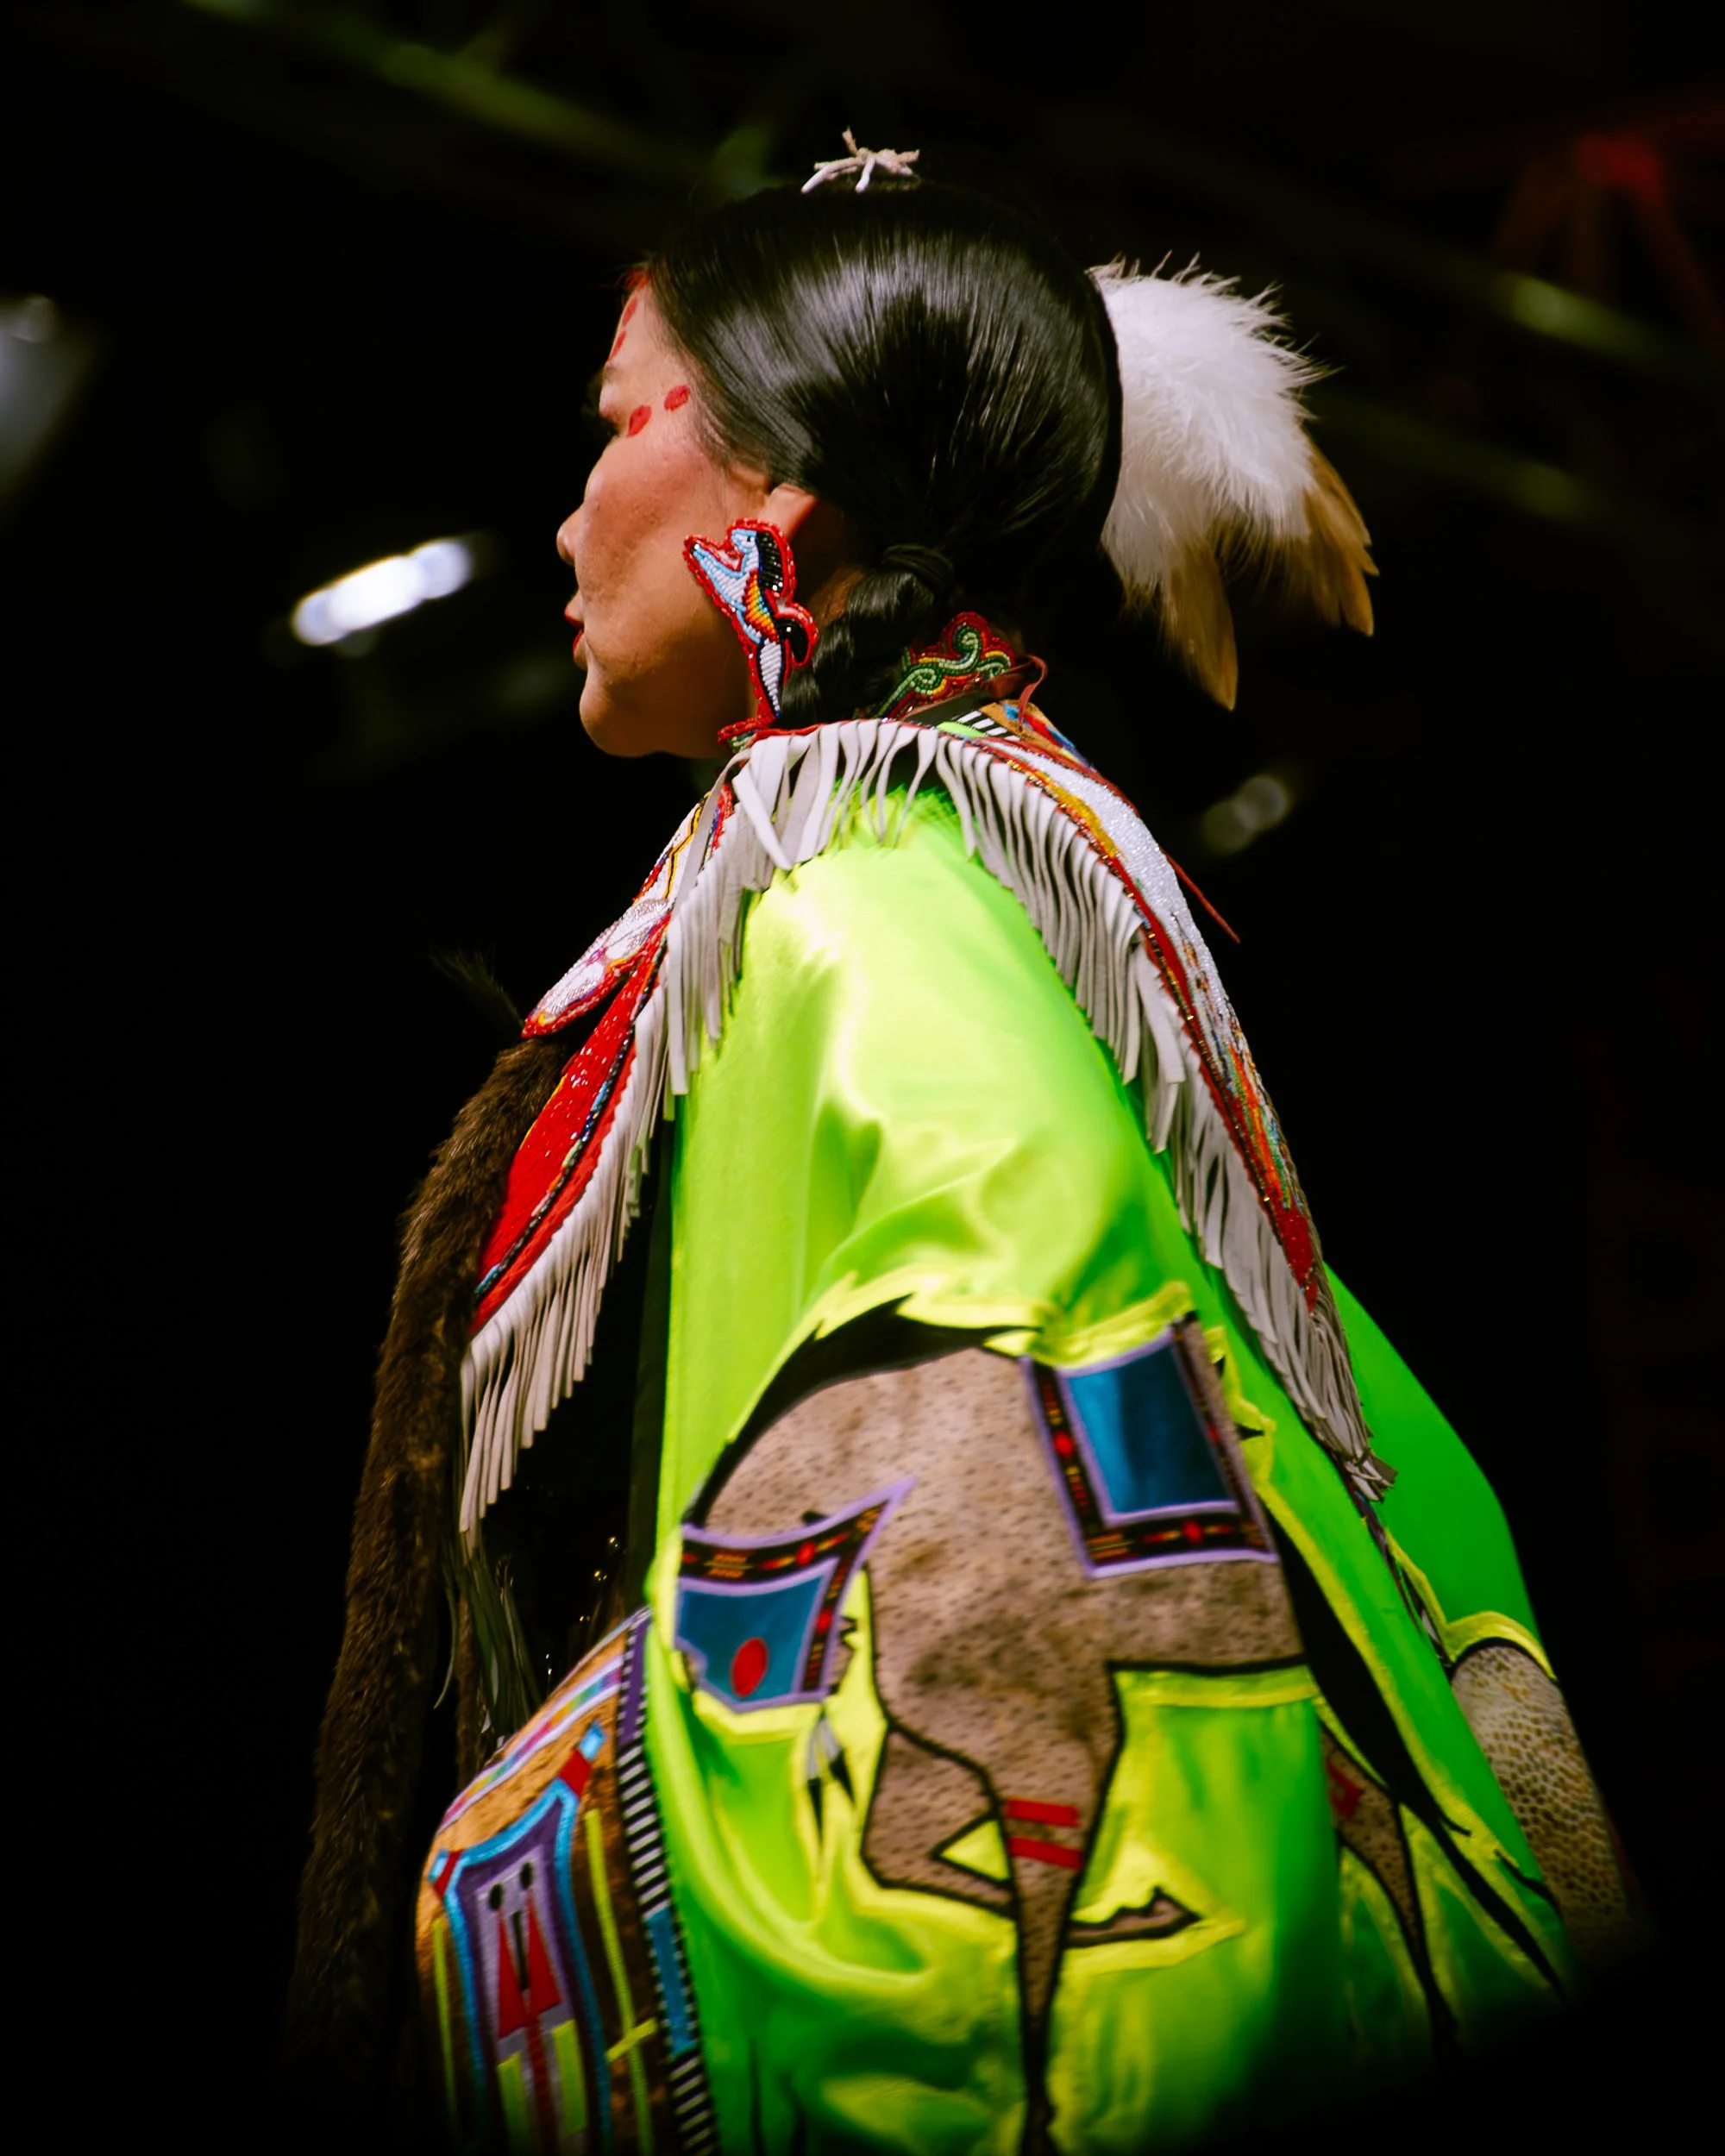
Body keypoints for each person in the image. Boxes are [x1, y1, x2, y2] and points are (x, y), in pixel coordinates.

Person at [285, 147, 1638, 2153]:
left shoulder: (859, 903)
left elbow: (1048, 1644)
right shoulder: (996, 872)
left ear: (777, 492)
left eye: (614, 428)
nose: (571, 511)